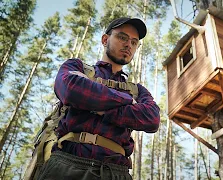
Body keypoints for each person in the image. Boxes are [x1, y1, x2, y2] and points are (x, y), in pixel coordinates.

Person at [36, 17, 160, 180]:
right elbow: (70, 89)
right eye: (122, 37)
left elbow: (152, 118)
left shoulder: (138, 90)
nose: (128, 45)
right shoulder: (77, 67)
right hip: (67, 165)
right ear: (105, 39)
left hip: (117, 173)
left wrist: (96, 105)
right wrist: (128, 102)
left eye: (134, 42)